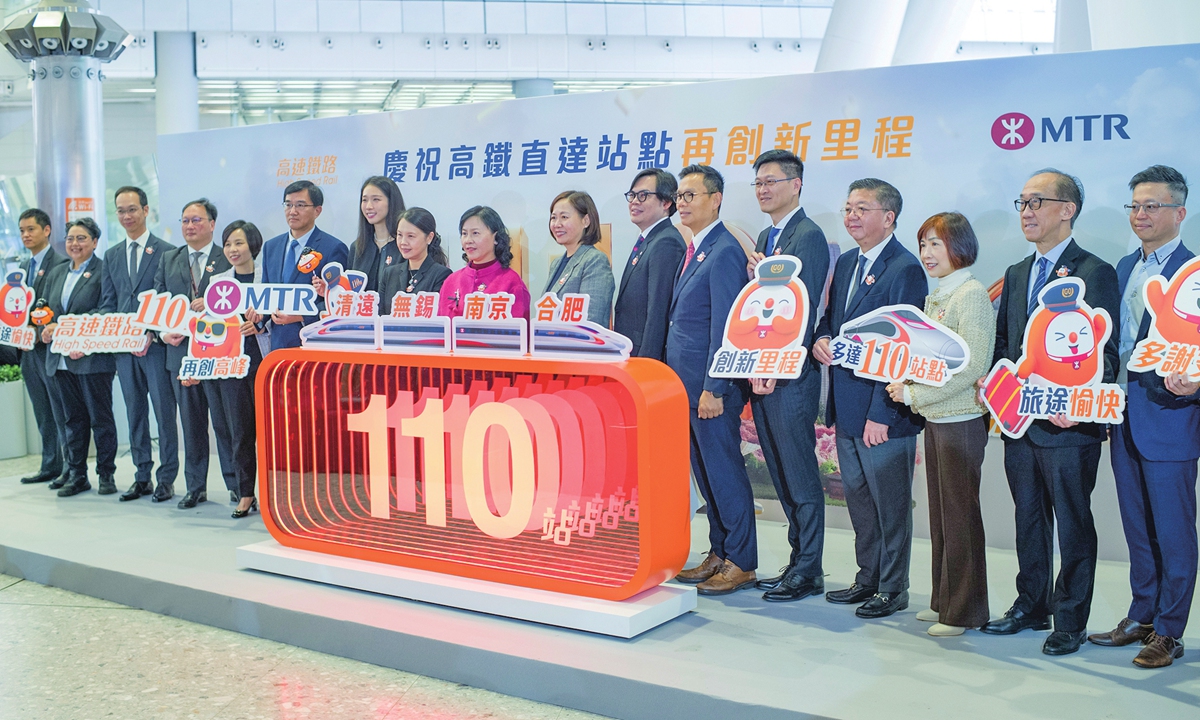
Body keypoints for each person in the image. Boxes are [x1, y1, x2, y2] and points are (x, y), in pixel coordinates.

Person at [979, 169, 1119, 656]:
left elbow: (1108, 352)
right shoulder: (1017, 273)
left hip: (1069, 425)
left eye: (1037, 202)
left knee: (1074, 521)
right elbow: (1006, 345)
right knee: (1028, 518)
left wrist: (1075, 403)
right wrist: (991, 380)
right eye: (1021, 202)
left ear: (1068, 209)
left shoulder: (1096, 271)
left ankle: (1071, 618)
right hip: (1019, 423)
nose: (1027, 212)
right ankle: (1030, 605)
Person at [1088, 165, 1197, 668]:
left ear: (1180, 211)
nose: (1141, 214)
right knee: (1137, 525)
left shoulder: (1195, 275)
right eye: (1135, 205)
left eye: (1152, 205)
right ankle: (1142, 615)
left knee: (1173, 529)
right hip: (1122, 412)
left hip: (1172, 416)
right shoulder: (1124, 266)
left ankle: (1171, 631)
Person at [812, 178, 926, 619]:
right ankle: (868, 579)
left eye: (862, 208)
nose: (851, 217)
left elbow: (905, 346)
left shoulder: (905, 269)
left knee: (890, 505)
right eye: (847, 208)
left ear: (889, 217)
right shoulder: (846, 266)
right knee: (859, 499)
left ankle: (894, 588)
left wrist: (884, 412)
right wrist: (821, 338)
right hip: (847, 405)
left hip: (883, 414)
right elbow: (830, 319)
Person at [885, 213, 994, 636]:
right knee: (942, 516)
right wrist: (909, 383)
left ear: (960, 246)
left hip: (961, 419)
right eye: (924, 244)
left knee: (960, 515)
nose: (928, 254)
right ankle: (943, 599)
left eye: (937, 244)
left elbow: (972, 366)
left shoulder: (970, 293)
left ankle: (965, 611)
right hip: (937, 418)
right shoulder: (938, 295)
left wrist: (916, 395)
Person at [743, 149, 831, 603]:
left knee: (798, 471)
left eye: (771, 181)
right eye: (758, 182)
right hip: (764, 371)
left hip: (790, 374)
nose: (763, 189)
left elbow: (803, 308)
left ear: (796, 185)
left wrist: (777, 367)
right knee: (778, 469)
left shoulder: (808, 235)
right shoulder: (768, 233)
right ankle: (798, 561)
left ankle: (810, 568)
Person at [666, 164, 756, 596]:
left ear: (716, 199)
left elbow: (726, 327)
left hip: (709, 390)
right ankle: (719, 553)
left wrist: (714, 388)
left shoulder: (724, 251)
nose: (682, 203)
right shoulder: (697, 248)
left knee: (723, 473)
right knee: (705, 475)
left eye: (691, 195)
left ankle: (742, 560)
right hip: (686, 388)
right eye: (680, 196)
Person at [153, 198, 235, 508]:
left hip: (218, 354)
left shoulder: (226, 257)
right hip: (181, 354)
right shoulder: (170, 259)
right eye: (185, 220)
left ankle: (236, 486)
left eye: (197, 220)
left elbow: (237, 303)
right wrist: (163, 333)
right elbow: (159, 305)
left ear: (212, 224)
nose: (190, 226)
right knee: (191, 424)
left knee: (225, 425)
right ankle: (195, 487)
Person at [99, 186, 179, 502]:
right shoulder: (111, 255)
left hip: (156, 347)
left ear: (146, 210)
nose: (126, 216)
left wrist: (150, 331)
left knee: (163, 413)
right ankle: (141, 475)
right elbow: (108, 302)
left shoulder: (168, 251)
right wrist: (118, 330)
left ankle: (166, 478)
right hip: (124, 350)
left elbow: (171, 302)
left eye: (132, 209)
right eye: (120, 210)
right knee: (134, 413)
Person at [40, 218, 117, 498]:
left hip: (91, 357)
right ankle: (77, 474)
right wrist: (46, 327)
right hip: (60, 357)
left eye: (82, 238)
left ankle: (106, 474)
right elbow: (47, 309)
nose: (75, 244)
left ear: (95, 242)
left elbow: (106, 308)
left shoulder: (102, 270)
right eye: (71, 238)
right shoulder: (58, 272)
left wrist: (78, 335)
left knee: (101, 418)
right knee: (72, 420)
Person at [208, 221, 271, 520]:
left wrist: (259, 324)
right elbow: (211, 328)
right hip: (231, 365)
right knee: (240, 431)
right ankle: (246, 493)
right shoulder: (218, 282)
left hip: (264, 361)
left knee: (270, 432)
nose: (233, 250)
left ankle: (274, 494)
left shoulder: (268, 276)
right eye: (229, 244)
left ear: (253, 245)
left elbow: (278, 314)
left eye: (239, 243)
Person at [260, 180, 348, 351]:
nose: (292, 211)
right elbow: (266, 291)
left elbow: (339, 301)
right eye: (288, 204)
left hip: (315, 345)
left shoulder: (333, 248)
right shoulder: (271, 247)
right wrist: (258, 317)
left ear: (317, 211)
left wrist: (300, 316)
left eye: (300, 205)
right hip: (277, 346)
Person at [15, 208, 67, 486]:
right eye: (22, 230)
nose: (26, 234)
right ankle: (50, 464)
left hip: (50, 347)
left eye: (31, 229)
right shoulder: (23, 268)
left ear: (46, 230)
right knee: (42, 410)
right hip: (26, 350)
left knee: (61, 410)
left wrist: (38, 331)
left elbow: (58, 305)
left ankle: (70, 467)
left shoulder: (60, 263)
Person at [613, 169, 687, 360]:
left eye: (643, 195)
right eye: (632, 195)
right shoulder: (648, 239)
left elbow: (658, 311)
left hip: (645, 356)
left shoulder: (666, 242)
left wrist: (648, 362)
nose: (634, 202)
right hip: (629, 349)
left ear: (666, 202)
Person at [316, 176, 403, 297]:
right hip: (361, 314)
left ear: (391, 202)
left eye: (376, 199)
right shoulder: (358, 247)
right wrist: (330, 291)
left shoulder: (405, 246)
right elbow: (349, 292)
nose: (368, 206)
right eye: (364, 200)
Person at [438, 206, 530, 320]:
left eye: (475, 233)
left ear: (496, 237)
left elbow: (519, 334)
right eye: (464, 233)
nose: (468, 240)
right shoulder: (451, 281)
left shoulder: (512, 283)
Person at [543, 191, 615, 326]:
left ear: (586, 221)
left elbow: (592, 321)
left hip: (577, 346)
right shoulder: (556, 263)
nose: (557, 224)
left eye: (564, 217)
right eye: (553, 218)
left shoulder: (595, 261)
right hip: (551, 344)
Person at [378, 207, 452, 307]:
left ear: (429, 237)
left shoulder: (441, 275)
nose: (403, 242)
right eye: (400, 235)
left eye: (411, 236)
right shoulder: (389, 274)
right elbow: (380, 314)